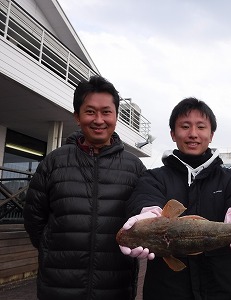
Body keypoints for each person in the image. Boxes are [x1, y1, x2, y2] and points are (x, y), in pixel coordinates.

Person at [119, 97, 231, 300]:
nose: (193, 134)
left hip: (223, 288)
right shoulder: (154, 177)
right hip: (166, 291)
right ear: (172, 133)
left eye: (201, 127)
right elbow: (145, 198)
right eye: (185, 126)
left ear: (211, 134)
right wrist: (149, 215)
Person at [23, 75, 146, 300]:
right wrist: (51, 249)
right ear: (77, 117)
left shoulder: (135, 168)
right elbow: (34, 219)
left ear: (116, 116)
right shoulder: (53, 162)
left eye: (106, 112)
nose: (98, 119)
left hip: (116, 287)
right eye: (90, 111)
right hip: (57, 286)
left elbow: (143, 221)